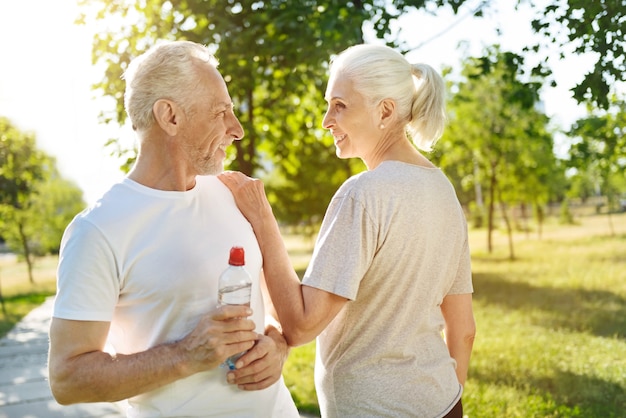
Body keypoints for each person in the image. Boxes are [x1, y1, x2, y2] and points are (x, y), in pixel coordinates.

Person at [219, 43, 476, 418]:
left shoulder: (363, 193)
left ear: (384, 111)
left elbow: (302, 325)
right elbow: (464, 327)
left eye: (339, 105)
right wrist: (447, 397)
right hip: (444, 404)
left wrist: (261, 219)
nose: (326, 120)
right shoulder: (444, 191)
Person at [48, 40, 299, 418]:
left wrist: (277, 345)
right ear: (170, 116)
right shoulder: (98, 230)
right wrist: (184, 356)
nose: (238, 129)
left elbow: (272, 306)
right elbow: (67, 379)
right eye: (222, 112)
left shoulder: (235, 194)